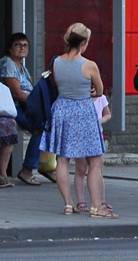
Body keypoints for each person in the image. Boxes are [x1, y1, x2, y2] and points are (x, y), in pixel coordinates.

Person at [41, 24, 112, 217]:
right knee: (95, 160)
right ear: (83, 43)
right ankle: (97, 207)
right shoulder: (88, 64)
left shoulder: (56, 62)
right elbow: (99, 90)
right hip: (82, 111)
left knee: (62, 159)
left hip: (62, 109)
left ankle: (68, 204)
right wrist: (91, 90)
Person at [1, 32, 42, 185]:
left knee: (46, 124)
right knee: (40, 127)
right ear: (10, 48)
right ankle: (28, 170)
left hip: (23, 106)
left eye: (25, 45)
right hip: (13, 106)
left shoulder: (21, 66)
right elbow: (17, 94)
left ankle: (44, 167)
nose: (22, 48)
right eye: (18, 45)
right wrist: (37, 104)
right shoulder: (8, 63)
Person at [72, 93, 112, 213]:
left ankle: (101, 200)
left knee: (99, 169)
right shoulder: (80, 97)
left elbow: (107, 114)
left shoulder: (102, 98)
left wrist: (100, 120)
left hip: (97, 135)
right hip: (81, 137)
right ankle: (81, 201)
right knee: (81, 169)